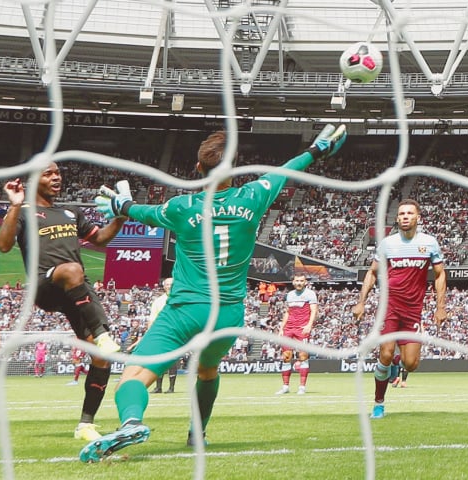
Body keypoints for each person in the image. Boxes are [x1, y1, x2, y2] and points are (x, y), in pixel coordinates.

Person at [78, 123, 347, 462]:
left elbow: (142, 213)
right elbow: (286, 170)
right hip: (229, 314)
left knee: (132, 377)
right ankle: (197, 432)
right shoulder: (254, 194)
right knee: (207, 370)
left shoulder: (181, 207)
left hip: (187, 309)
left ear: (197, 169)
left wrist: (122, 205)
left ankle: (132, 421)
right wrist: (316, 150)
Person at [0, 161, 126, 442]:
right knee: (72, 269)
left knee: (102, 358)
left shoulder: (71, 212)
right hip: (46, 285)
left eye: (58, 173)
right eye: (48, 173)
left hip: (76, 290)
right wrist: (15, 204)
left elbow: (100, 239)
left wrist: (121, 218)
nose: (56, 177)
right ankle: (103, 335)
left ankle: (86, 425)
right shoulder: (24, 212)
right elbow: (4, 245)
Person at [352, 198, 447, 419]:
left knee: (410, 364)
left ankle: (397, 364)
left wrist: (440, 306)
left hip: (413, 311)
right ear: (397, 218)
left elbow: (440, 274)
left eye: (409, 213)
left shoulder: (429, 243)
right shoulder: (387, 244)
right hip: (390, 308)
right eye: (402, 214)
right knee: (385, 354)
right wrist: (361, 302)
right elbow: (373, 273)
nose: (405, 217)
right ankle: (378, 403)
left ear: (418, 218)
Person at [275, 274, 318, 395]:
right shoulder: (290, 295)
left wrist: (309, 325)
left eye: (301, 281)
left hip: (302, 328)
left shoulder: (310, 294)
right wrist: (281, 328)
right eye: (297, 281)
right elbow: (288, 312)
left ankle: (302, 387)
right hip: (289, 328)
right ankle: (285, 387)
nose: (299, 283)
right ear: (293, 282)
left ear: (305, 283)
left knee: (303, 356)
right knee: (286, 357)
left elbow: (314, 310)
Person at [147, 278, 178, 394]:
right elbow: (152, 319)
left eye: (171, 284)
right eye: (167, 284)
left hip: (175, 334)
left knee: (172, 360)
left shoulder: (180, 299)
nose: (169, 286)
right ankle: (158, 387)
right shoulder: (158, 301)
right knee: (159, 361)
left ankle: (171, 387)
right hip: (161, 334)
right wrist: (150, 334)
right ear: (163, 286)